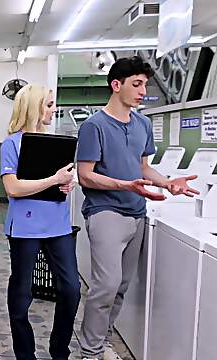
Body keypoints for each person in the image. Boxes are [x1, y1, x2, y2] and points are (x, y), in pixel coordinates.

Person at [76, 56, 199, 360]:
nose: (143, 91)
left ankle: (102, 342)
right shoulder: (94, 126)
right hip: (105, 212)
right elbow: (85, 175)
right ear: (116, 85)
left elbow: (144, 168)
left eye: (145, 84)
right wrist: (124, 185)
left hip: (137, 214)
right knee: (104, 286)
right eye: (137, 84)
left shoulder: (143, 124)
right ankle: (89, 353)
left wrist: (169, 182)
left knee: (120, 287)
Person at [0, 84, 81, 360]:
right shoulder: (12, 144)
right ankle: (25, 354)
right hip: (24, 227)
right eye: (48, 104)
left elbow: (59, 181)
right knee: (21, 295)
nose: (53, 109)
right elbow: (13, 188)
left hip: (58, 225)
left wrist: (65, 185)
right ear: (33, 107)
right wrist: (54, 180)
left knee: (71, 289)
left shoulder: (56, 144)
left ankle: (59, 350)